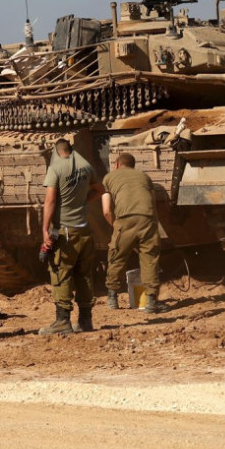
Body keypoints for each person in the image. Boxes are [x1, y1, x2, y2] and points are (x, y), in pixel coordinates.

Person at [38, 138, 104, 335]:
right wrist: (83, 203)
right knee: (84, 275)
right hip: (84, 229)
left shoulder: (56, 169)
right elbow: (100, 190)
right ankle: (85, 320)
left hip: (65, 231)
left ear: (57, 153)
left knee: (61, 273)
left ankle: (62, 321)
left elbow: (50, 201)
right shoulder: (86, 166)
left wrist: (44, 230)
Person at [102, 153, 166, 314]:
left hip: (124, 220)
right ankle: (151, 301)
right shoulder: (144, 177)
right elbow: (153, 206)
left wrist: (116, 227)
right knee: (150, 259)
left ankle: (112, 298)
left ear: (117, 165)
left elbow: (106, 211)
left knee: (116, 258)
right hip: (148, 219)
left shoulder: (109, 178)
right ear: (133, 165)